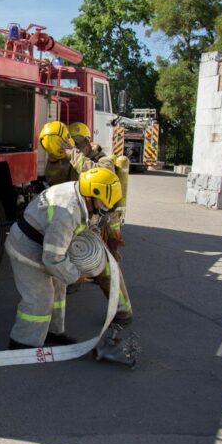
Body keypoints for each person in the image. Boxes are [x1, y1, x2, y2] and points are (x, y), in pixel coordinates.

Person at [6, 168, 123, 349]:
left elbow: (78, 226)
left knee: (58, 291)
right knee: (40, 298)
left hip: (40, 242)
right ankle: (23, 343)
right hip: (26, 248)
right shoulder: (67, 212)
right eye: (103, 205)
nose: (103, 210)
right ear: (91, 196)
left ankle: (53, 333)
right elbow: (53, 258)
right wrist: (75, 275)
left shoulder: (79, 191)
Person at [67, 122, 132, 324]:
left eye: (78, 143)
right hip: (82, 217)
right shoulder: (75, 158)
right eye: (72, 144)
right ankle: (73, 283)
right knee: (72, 254)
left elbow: (95, 176)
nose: (76, 148)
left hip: (103, 222)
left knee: (106, 268)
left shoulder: (102, 161)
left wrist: (72, 154)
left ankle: (123, 310)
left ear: (88, 142)